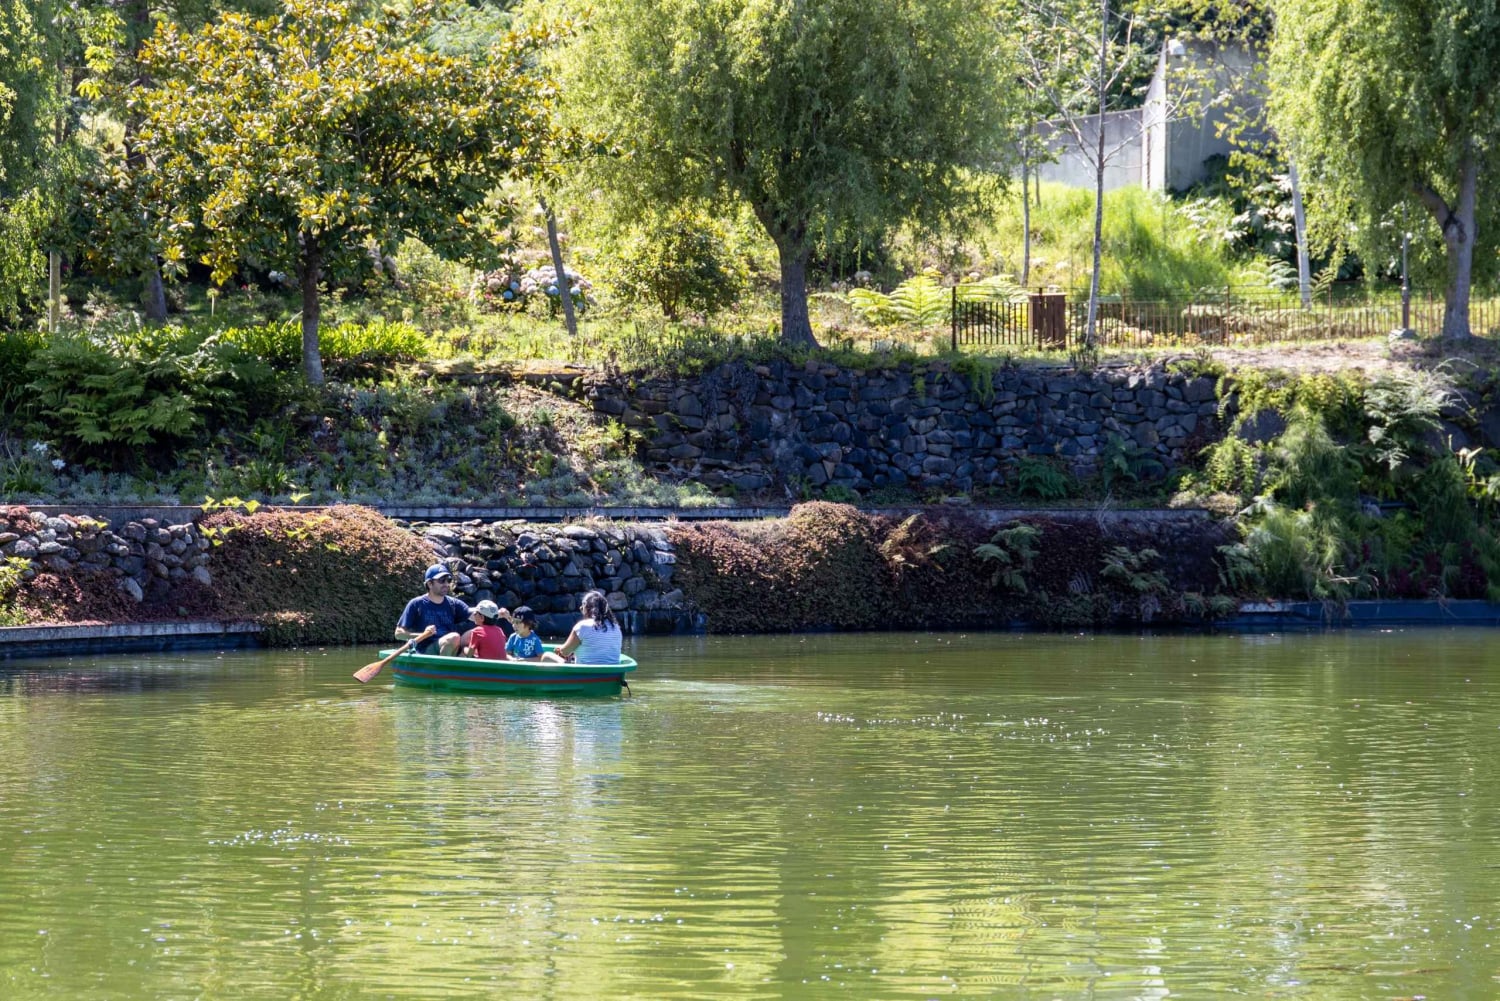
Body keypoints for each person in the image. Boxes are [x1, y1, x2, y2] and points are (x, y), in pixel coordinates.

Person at [395, 563, 472, 655]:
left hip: (449, 646)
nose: (446, 584)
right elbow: (398, 634)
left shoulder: (454, 604)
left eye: (448, 580)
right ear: (430, 584)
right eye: (442, 580)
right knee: (454, 637)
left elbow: (476, 616)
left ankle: (455, 664)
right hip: (425, 650)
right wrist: (423, 635)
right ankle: (442, 667)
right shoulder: (416, 604)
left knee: (474, 634)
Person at [543, 590, 622, 665]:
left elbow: (565, 652)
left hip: (585, 674)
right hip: (611, 674)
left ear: (587, 607)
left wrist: (560, 650)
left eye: (582, 605)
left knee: (546, 656)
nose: (581, 608)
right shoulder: (616, 627)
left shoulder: (583, 626)